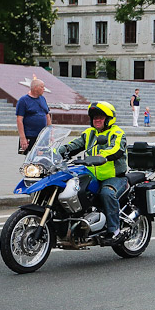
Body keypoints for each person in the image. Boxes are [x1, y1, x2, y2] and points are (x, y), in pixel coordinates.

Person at [60, 102, 129, 244]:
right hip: (92, 176)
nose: (97, 120)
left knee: (107, 193)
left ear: (109, 119)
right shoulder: (89, 133)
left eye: (101, 117)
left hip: (114, 177)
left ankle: (114, 231)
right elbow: (73, 146)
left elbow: (116, 149)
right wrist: (54, 152)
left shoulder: (117, 133)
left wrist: (102, 156)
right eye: (95, 117)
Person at [16, 78, 51, 155]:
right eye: (42, 87)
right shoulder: (23, 100)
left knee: (42, 156)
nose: (44, 89)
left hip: (42, 136)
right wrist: (22, 138)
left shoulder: (42, 99)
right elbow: (19, 120)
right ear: (35, 88)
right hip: (30, 135)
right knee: (30, 157)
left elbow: (47, 115)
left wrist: (50, 133)